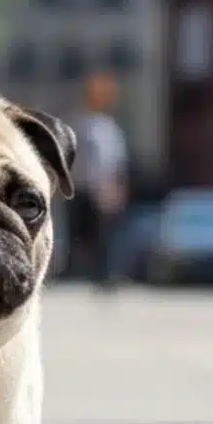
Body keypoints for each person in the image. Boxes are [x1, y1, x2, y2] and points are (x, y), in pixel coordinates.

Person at [66, 72, 129, 287]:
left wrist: (114, 188)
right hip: (79, 187)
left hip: (100, 189)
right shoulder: (78, 123)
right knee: (77, 232)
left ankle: (104, 274)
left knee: (103, 235)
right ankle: (73, 271)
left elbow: (115, 162)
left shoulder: (108, 127)